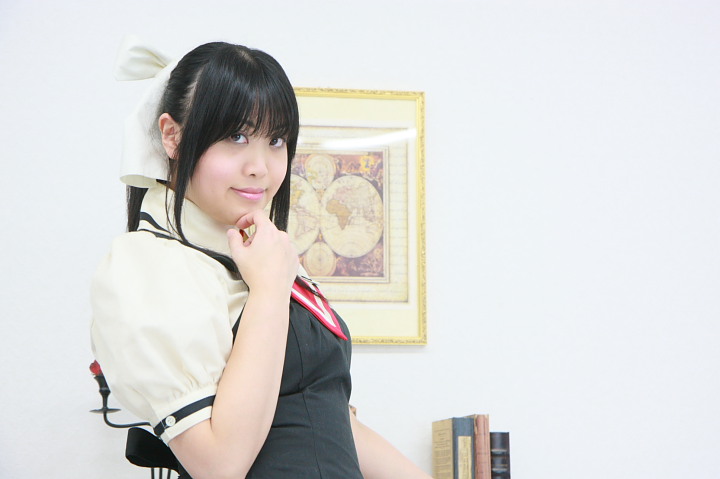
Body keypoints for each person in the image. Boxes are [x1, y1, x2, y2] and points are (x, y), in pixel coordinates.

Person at [90, 37, 431, 479]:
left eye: (276, 139)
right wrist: (269, 288)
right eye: (236, 136)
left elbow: (330, 420)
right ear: (172, 135)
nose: (261, 166)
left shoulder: (262, 253)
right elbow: (218, 464)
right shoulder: (148, 266)